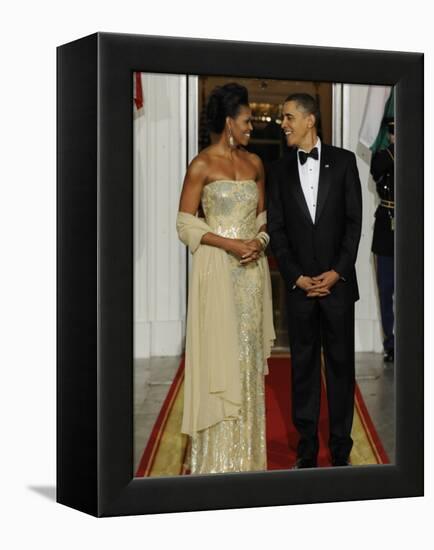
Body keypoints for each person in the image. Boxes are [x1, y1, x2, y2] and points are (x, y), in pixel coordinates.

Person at [176, 83, 275, 475]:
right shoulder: (201, 165)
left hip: (252, 276)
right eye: (248, 120)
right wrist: (230, 245)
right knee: (220, 355)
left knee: (246, 356)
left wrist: (260, 241)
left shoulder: (255, 164)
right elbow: (184, 223)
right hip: (217, 274)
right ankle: (215, 461)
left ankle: (248, 458)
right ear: (229, 122)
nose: (253, 127)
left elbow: (264, 217)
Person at [267, 93, 362, 468]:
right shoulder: (278, 171)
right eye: (282, 118)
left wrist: (337, 272)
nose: (284, 124)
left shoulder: (344, 162)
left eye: (288, 116)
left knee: (341, 368)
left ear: (310, 120)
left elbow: (354, 224)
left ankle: (341, 447)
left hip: (338, 287)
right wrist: (297, 277)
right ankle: (306, 447)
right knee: (303, 369)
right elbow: (277, 230)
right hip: (300, 290)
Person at [370, 118, 395, 363]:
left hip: (413, 226)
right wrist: (395, 148)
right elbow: (377, 168)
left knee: (412, 289)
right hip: (386, 227)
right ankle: (392, 343)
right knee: (386, 288)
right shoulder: (384, 155)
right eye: (393, 132)